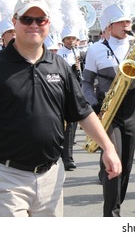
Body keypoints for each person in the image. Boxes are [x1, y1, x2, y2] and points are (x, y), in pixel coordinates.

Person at [0, 0, 121, 217]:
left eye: (41, 20)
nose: (34, 25)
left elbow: (82, 111)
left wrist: (108, 148)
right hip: (8, 178)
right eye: (27, 19)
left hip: (51, 177)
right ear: (14, 21)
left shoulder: (59, 65)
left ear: (48, 23)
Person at [82, 3, 135, 217]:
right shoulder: (96, 49)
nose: (127, 25)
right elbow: (86, 82)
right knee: (113, 162)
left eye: (128, 21)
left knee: (126, 164)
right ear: (110, 25)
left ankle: (117, 205)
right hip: (107, 110)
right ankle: (112, 214)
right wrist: (93, 105)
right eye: (122, 22)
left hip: (130, 110)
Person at [57, 27, 84, 171]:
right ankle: (60, 154)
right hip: (62, 91)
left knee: (72, 125)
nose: (71, 41)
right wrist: (73, 68)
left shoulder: (79, 53)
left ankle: (68, 157)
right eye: (68, 39)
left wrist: (80, 67)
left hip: (75, 91)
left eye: (73, 39)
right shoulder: (59, 54)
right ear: (63, 40)